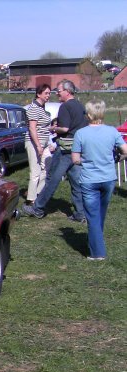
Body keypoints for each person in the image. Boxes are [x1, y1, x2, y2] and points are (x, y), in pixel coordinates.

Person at [21, 80, 88, 222]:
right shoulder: (80, 106)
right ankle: (80, 214)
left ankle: (37, 208)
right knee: (76, 183)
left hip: (64, 150)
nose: (56, 93)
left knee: (51, 179)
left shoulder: (65, 107)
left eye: (59, 90)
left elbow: (64, 129)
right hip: (77, 150)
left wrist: (53, 129)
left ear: (67, 92)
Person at [71, 99, 127, 260]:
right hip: (108, 178)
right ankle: (96, 240)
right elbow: (125, 150)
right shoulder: (112, 131)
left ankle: (97, 253)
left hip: (89, 179)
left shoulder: (81, 134)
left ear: (88, 115)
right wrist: (119, 158)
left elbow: (75, 159)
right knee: (100, 213)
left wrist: (87, 160)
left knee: (93, 216)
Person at [24, 84, 54, 205]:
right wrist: (38, 146)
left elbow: (43, 127)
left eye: (49, 93)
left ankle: (37, 192)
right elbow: (32, 128)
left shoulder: (42, 108)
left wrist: (52, 128)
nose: (48, 95)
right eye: (46, 93)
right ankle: (31, 199)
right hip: (34, 142)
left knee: (47, 167)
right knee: (35, 171)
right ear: (38, 94)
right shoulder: (34, 108)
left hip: (44, 142)